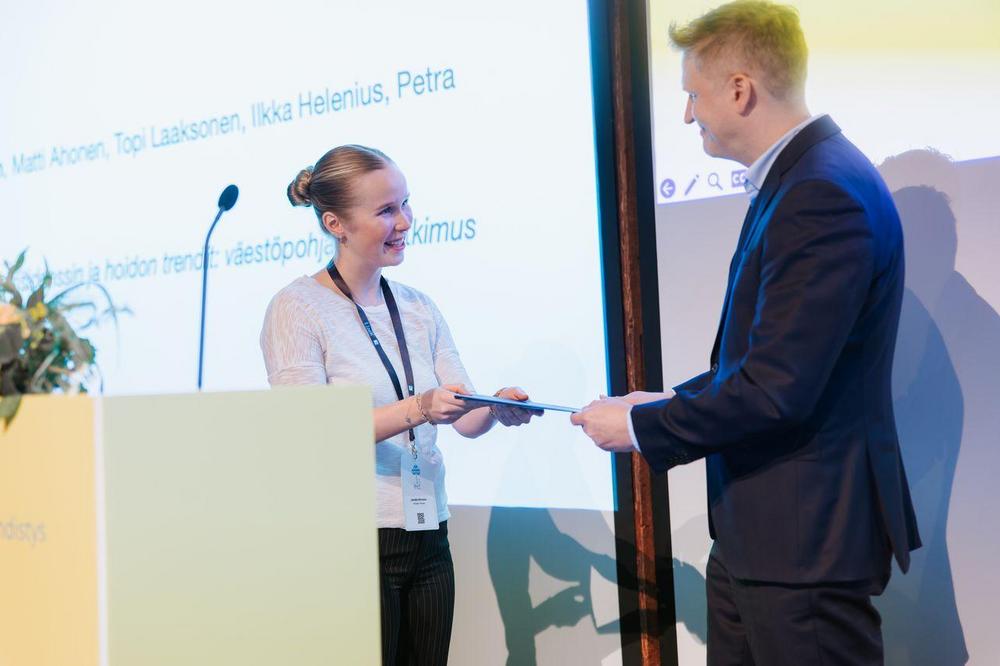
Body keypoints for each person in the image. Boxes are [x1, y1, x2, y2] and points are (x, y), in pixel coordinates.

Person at [571, 2, 921, 663]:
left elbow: (774, 389)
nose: (687, 115)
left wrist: (644, 427)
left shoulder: (820, 192)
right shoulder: (802, 181)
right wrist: (666, 402)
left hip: (802, 542)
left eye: (693, 95)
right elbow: (768, 362)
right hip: (767, 537)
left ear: (739, 90)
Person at [260, 144, 539, 665]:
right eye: (386, 210)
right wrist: (419, 408)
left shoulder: (418, 306)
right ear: (335, 224)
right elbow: (311, 432)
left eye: (406, 203)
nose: (405, 221)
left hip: (429, 531)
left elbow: (463, 416)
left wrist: (495, 408)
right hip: (350, 538)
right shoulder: (297, 307)